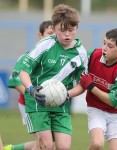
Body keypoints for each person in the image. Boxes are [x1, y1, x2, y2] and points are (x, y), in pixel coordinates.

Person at [19, 4, 88, 150]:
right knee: (46, 146)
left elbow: (82, 84)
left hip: (61, 105)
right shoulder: (45, 44)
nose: (67, 34)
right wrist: (31, 89)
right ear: (54, 28)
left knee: (64, 147)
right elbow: (23, 71)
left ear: (77, 28)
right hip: (37, 102)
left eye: (71, 30)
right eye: (62, 31)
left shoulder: (81, 54)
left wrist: (66, 94)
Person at [80, 28, 117, 150]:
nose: (104, 48)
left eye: (110, 46)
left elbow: (113, 101)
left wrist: (91, 86)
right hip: (96, 108)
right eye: (104, 43)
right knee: (97, 144)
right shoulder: (93, 55)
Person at [4, 20, 54, 150]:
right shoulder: (28, 56)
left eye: (55, 33)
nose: (53, 36)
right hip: (29, 105)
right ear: (40, 35)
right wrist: (34, 95)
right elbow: (15, 81)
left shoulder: (56, 58)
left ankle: (9, 149)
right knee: (42, 142)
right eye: (49, 33)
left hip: (47, 105)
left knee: (45, 143)